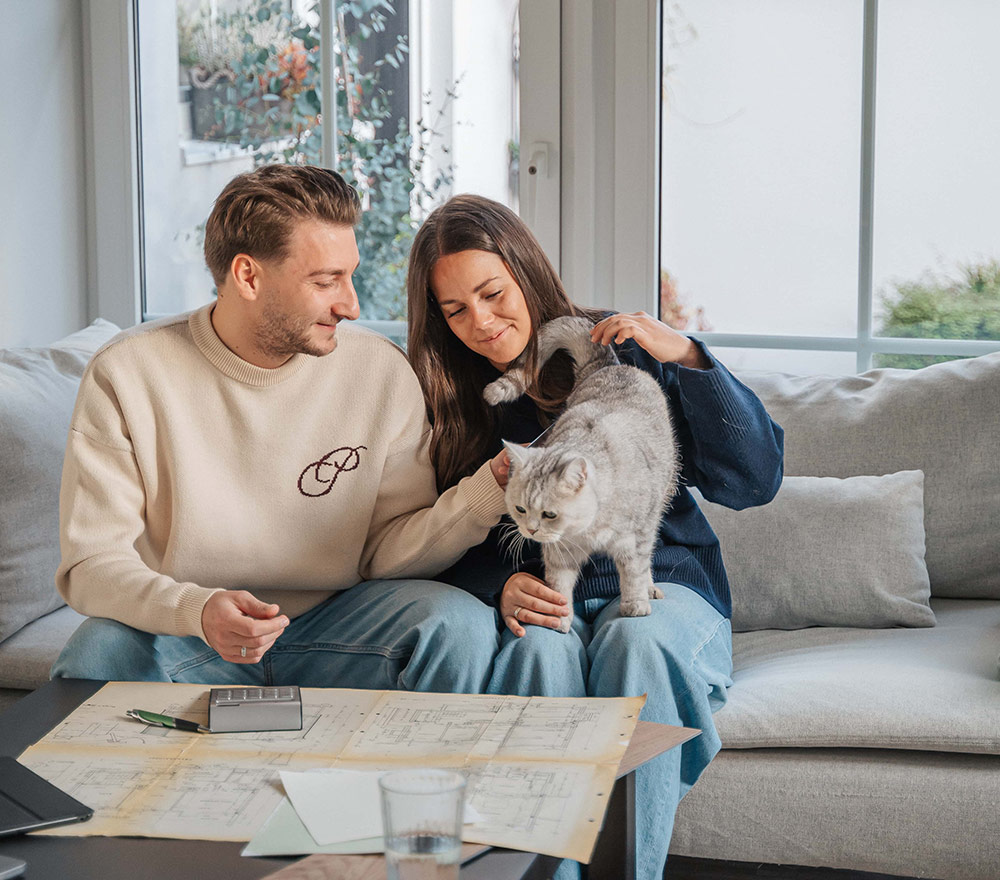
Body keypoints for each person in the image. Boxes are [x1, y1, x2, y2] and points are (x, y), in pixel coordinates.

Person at [406, 194, 784, 880]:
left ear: (525, 271)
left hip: (660, 588)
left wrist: (690, 356)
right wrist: (497, 585)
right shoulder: (445, 396)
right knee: (533, 654)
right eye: (454, 311)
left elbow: (753, 481)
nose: (481, 323)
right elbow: (428, 532)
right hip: (548, 596)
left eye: (492, 294)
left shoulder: (620, 348)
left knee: (634, 639)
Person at [51, 166, 511, 693]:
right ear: (248, 276)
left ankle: (419, 778)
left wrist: (483, 495)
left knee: (457, 623)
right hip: (188, 636)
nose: (352, 305)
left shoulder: (380, 371)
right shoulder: (127, 373)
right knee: (97, 649)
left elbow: (387, 548)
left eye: (350, 275)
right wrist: (195, 610)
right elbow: (90, 564)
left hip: (341, 626)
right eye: (325, 281)